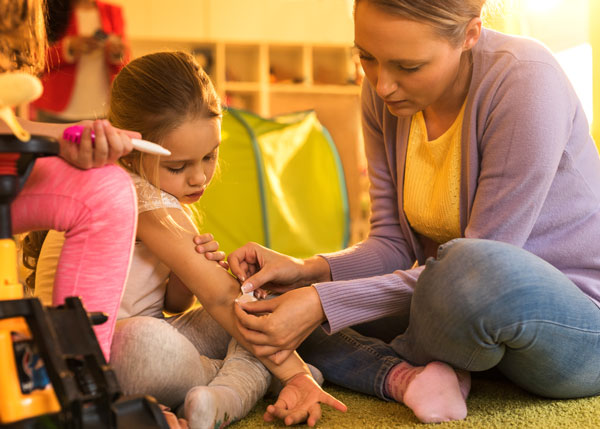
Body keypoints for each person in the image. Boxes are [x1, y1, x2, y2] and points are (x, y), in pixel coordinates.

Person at [212, 0, 600, 424]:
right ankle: (406, 376)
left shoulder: (526, 79)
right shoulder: (384, 99)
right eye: (366, 58)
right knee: (271, 306)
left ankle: (409, 355)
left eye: (408, 67)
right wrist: (308, 272)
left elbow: (478, 266)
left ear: (469, 35)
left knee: (465, 267)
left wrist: (323, 303)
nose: (382, 85)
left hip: (575, 325)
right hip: (453, 309)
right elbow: (393, 243)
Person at [31, 51, 346, 428]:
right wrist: (295, 373)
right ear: (134, 151)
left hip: (141, 344)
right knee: (216, 326)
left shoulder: (153, 189)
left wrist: (185, 273)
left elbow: (173, 304)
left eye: (210, 156)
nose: (199, 178)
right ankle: (232, 388)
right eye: (178, 167)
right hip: (114, 356)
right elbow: (217, 296)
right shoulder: (136, 195)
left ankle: (217, 386)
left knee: (268, 299)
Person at [1, 0, 141, 363]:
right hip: (58, 103)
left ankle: (81, 372)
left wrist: (65, 137)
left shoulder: (103, 11)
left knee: (107, 189)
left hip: (70, 114)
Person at [32, 0, 129, 122]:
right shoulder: (49, 9)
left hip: (103, 107)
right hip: (55, 107)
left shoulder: (112, 11)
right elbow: (35, 59)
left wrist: (116, 53)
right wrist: (68, 47)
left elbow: (126, 58)